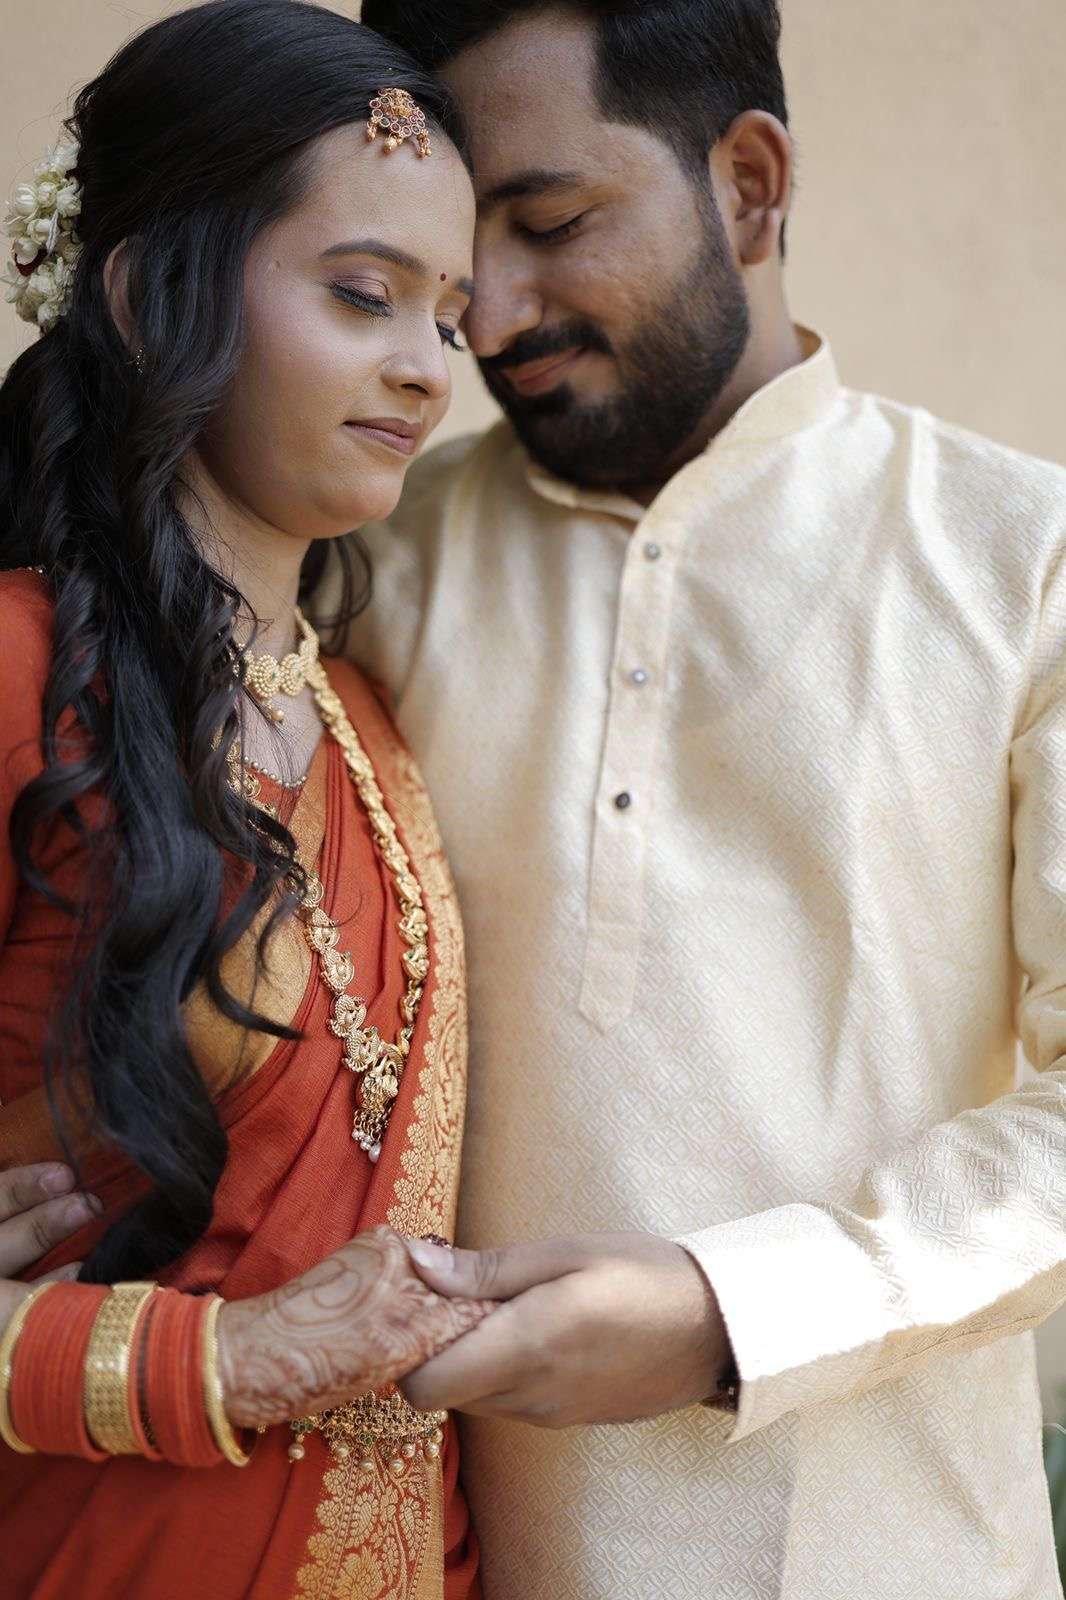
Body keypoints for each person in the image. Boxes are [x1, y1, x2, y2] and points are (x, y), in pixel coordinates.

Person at [342, 2, 1066, 1597]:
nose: (488, 315)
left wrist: (732, 1310)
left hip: (891, 1553)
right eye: (457, 254)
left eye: (549, 222)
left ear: (748, 184)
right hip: (442, 1552)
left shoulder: (1023, 561)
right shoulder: (370, 564)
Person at [0, 4, 492, 1596]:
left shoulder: (369, 727)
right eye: (362, 294)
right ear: (150, 294)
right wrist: (232, 1357)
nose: (422, 369)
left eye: (450, 318)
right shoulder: (14, 677)